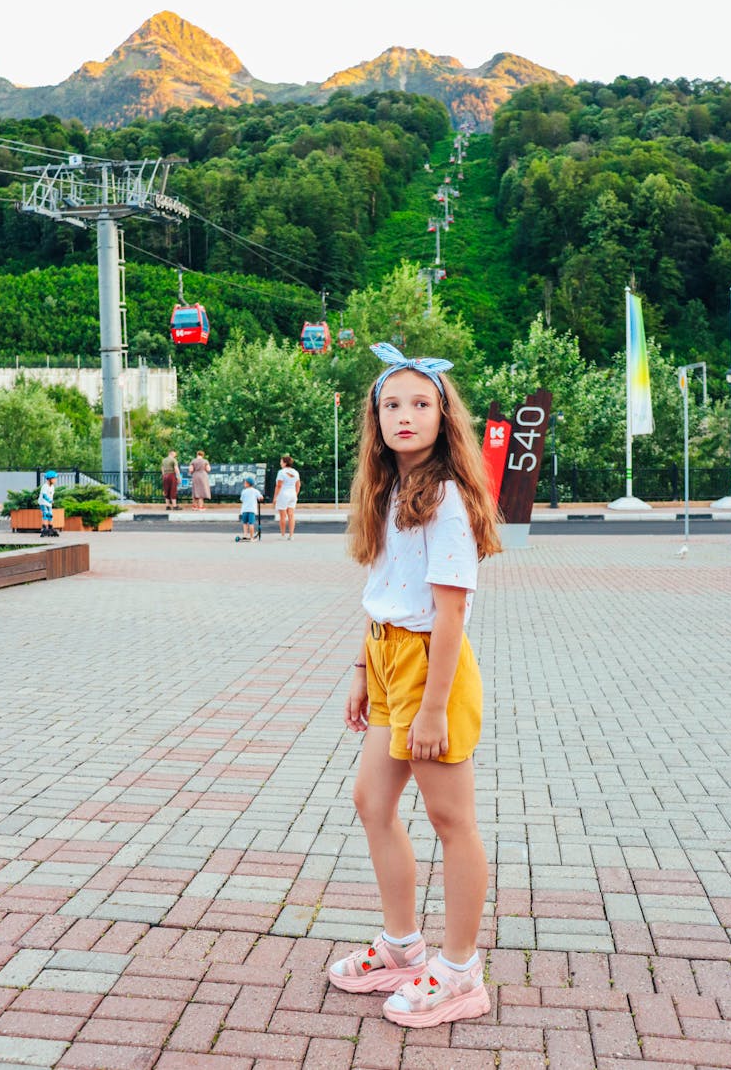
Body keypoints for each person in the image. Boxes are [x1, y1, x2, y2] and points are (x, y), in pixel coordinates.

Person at [328, 342, 501, 1029]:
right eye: (392, 404)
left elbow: (450, 611)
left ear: (442, 415)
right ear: (376, 418)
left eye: (420, 403)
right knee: (371, 799)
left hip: (435, 669)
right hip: (388, 658)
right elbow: (384, 593)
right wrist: (361, 672)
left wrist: (431, 710)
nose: (405, 415)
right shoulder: (389, 489)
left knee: (451, 820)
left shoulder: (449, 499)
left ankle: (460, 971)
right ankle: (403, 947)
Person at [273, 454, 300, 540]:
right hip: (293, 493)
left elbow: (279, 485)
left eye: (281, 461)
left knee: (282, 516)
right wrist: (296, 494)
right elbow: (298, 484)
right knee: (291, 515)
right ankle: (291, 535)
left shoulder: (281, 472)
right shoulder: (295, 472)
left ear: (285, 463)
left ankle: (283, 535)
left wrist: (275, 497)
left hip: (283, 494)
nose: (280, 463)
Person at [239, 476, 263, 541]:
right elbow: (261, 497)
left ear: (248, 483)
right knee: (251, 524)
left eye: (245, 482)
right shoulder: (255, 491)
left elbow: (241, 500)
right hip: (252, 510)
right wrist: (259, 498)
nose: (244, 483)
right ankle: (252, 537)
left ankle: (245, 535)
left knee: (245, 523)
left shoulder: (244, 491)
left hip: (244, 510)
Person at [38, 470, 59, 537]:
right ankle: (44, 528)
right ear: (50, 479)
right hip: (43, 503)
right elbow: (44, 496)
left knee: (50, 515)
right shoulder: (45, 486)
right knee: (45, 514)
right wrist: (50, 500)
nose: (55, 480)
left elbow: (51, 495)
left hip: (49, 504)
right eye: (54, 478)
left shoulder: (52, 487)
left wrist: (50, 502)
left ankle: (50, 528)